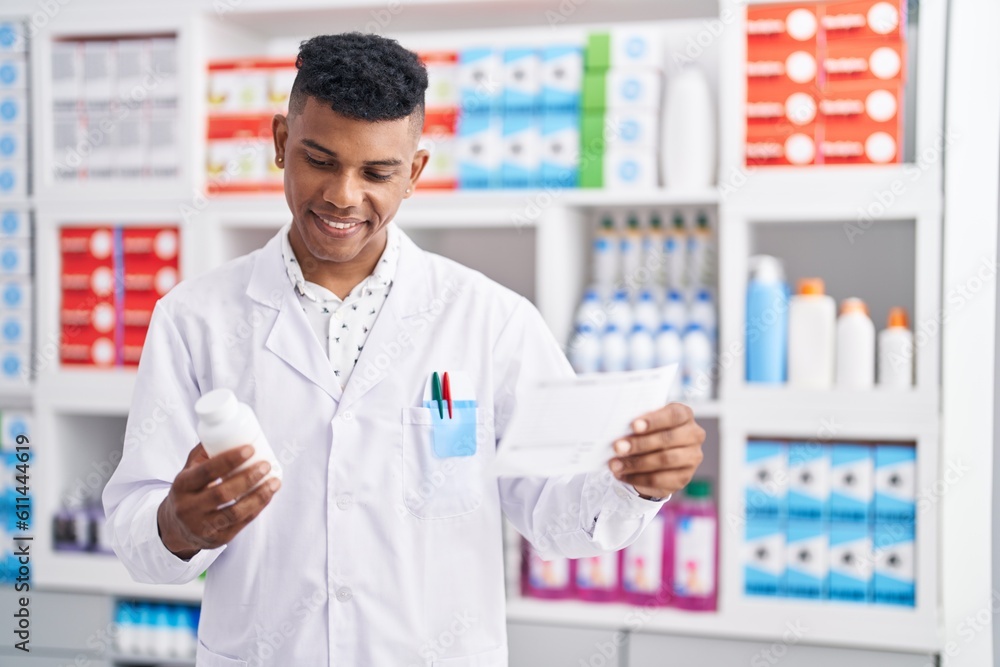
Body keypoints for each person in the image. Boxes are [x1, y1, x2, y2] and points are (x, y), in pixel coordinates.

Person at [103, 32, 705, 667]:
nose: (343, 194)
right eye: (320, 159)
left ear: (414, 172)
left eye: (377, 172)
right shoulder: (194, 320)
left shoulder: (491, 321)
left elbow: (555, 518)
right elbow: (137, 527)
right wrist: (180, 525)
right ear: (281, 144)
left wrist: (634, 485)